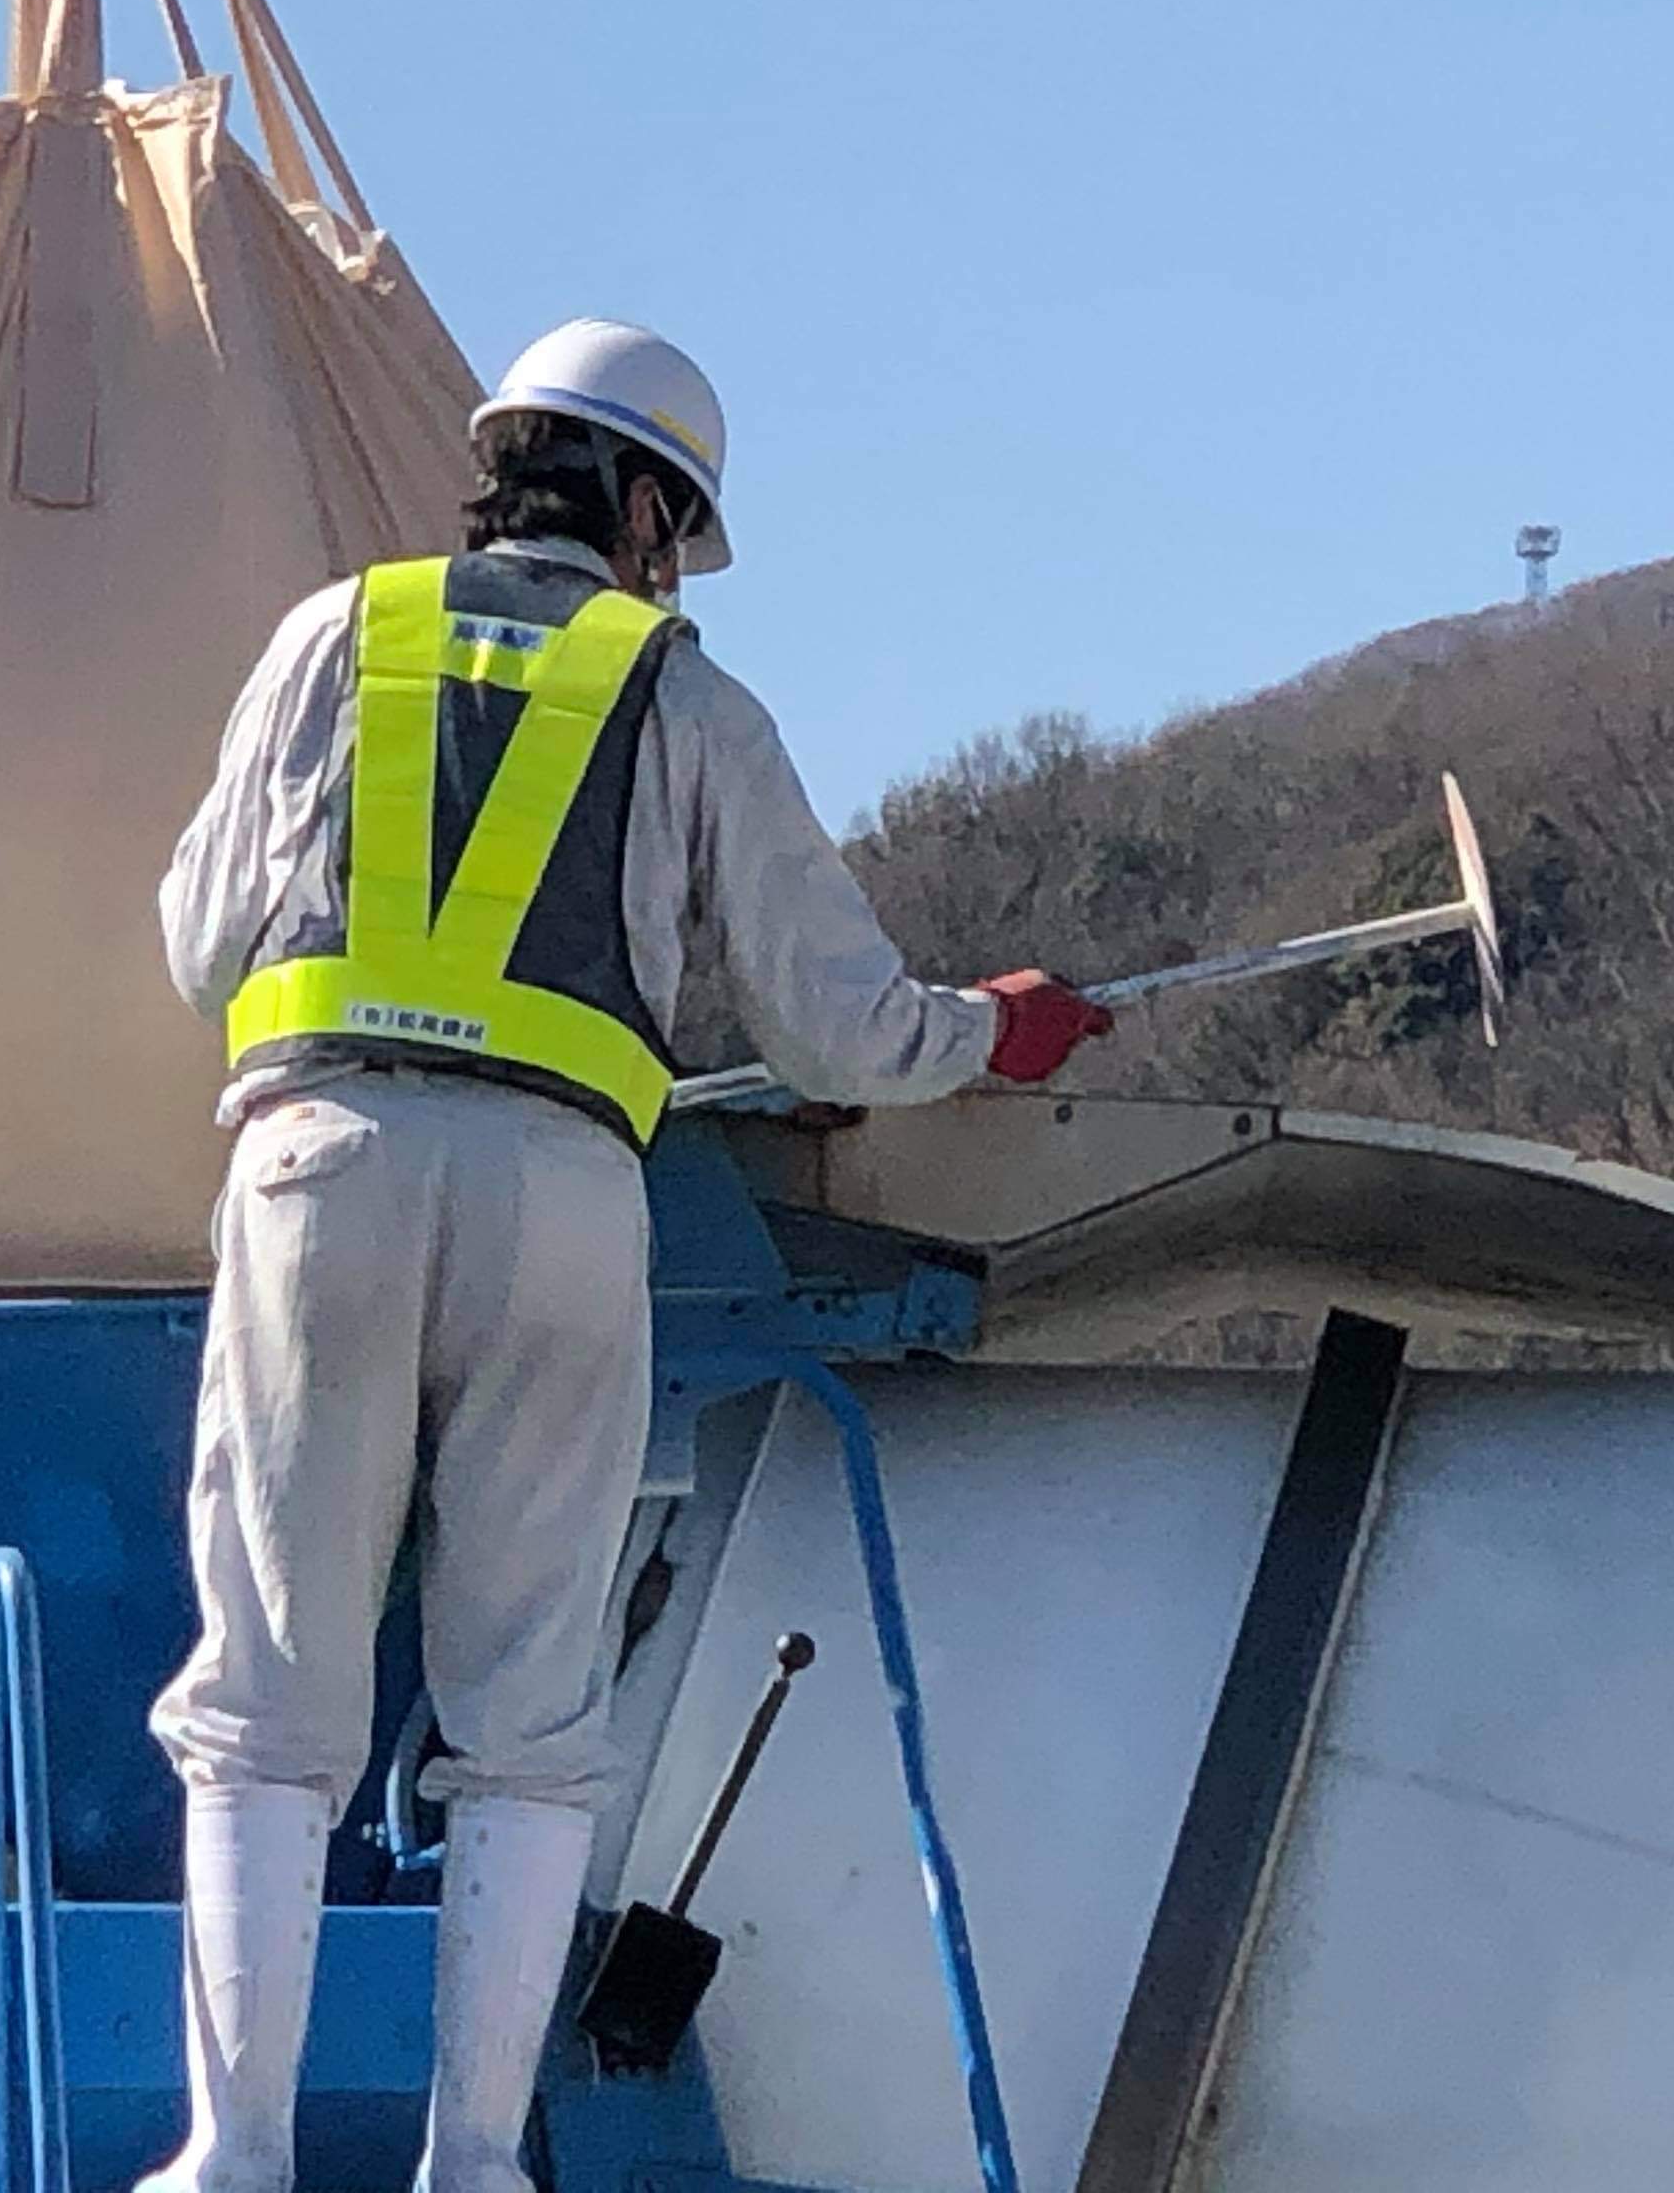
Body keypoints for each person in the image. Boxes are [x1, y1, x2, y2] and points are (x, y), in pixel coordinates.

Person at [146, 317, 1110, 2193]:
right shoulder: (687, 700)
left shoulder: (333, 638)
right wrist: (992, 1031)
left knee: (266, 1713)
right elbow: (837, 1030)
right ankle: (477, 2165)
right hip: (562, 1202)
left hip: (311, 1171)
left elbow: (198, 945)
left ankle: (231, 2157)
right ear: (649, 507)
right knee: (525, 1731)